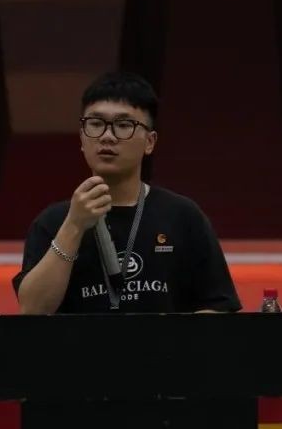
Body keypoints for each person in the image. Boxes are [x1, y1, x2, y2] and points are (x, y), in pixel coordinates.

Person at [13, 71, 241, 314]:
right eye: (96, 124)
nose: (107, 136)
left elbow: (219, 308)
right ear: (81, 137)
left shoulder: (182, 216)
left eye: (123, 125)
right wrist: (74, 225)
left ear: (150, 142)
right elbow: (32, 310)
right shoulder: (53, 222)